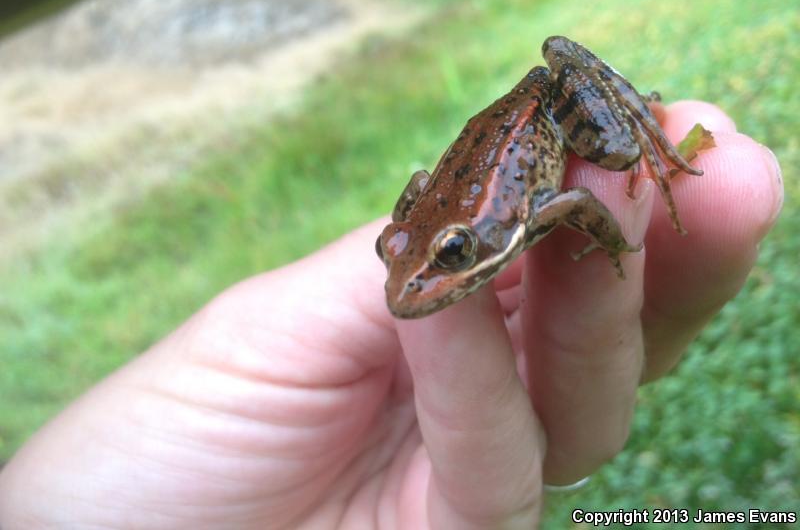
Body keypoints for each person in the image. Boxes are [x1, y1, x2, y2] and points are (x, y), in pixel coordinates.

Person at [0, 102, 783, 529]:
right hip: (491, 143)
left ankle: (644, 126)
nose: (409, 289)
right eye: (399, 254)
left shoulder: (520, 219)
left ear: (469, 242)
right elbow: (418, 192)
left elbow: (578, 203)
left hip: (539, 112)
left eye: (447, 256)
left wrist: (614, 244)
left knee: (615, 162)